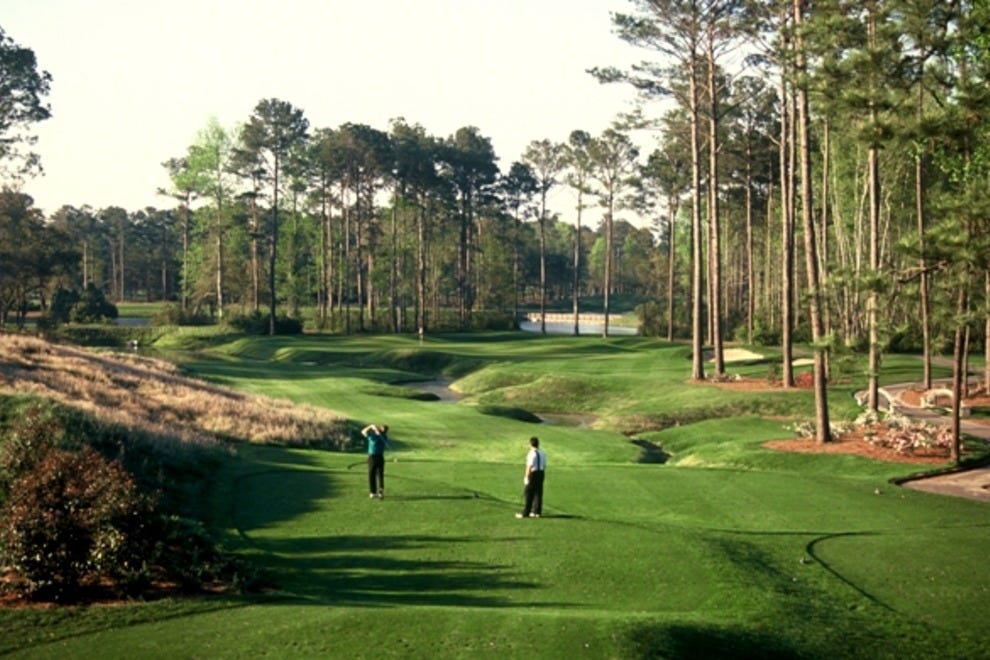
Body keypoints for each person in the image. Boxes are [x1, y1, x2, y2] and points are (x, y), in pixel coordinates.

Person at [516, 436, 546, 518]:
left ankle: (526, 512)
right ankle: (537, 512)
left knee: (528, 493)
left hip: (533, 473)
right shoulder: (542, 453)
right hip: (541, 473)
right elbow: (544, 465)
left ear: (530, 444)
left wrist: (526, 477)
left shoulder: (531, 453)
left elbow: (529, 466)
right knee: (538, 493)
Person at [362, 423, 389, 498]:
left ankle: (373, 492)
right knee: (380, 475)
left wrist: (371, 426)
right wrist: (377, 430)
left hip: (372, 458)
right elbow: (380, 433)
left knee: (371, 475)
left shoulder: (374, 437)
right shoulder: (384, 437)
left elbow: (363, 432)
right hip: (381, 457)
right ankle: (381, 491)